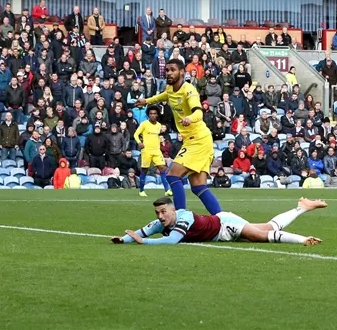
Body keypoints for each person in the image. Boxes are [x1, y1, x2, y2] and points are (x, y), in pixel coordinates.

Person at [137, 59, 222, 215]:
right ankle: (223, 219)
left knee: (172, 175)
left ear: (182, 72)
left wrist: (190, 118)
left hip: (198, 139)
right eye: (167, 70)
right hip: (194, 140)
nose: (169, 73)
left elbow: (198, 111)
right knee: (198, 187)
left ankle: (180, 217)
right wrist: (146, 101)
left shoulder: (189, 90)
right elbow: (163, 96)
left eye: (173, 70)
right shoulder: (170, 88)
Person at [111, 196, 325, 246]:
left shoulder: (183, 217)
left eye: (163, 212)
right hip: (220, 231)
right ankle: (302, 207)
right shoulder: (161, 223)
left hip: (225, 225)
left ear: (172, 210)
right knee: (269, 227)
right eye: (158, 213)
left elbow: (171, 241)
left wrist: (143, 242)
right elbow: (139, 232)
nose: (160, 216)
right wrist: (122, 240)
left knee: (260, 236)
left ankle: (302, 240)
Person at [133, 105, 172, 197]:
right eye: (151, 114)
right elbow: (135, 134)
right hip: (146, 150)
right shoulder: (144, 124)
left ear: (157, 115)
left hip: (156, 150)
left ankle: (167, 190)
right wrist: (139, 142)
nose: (153, 115)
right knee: (145, 170)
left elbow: (157, 136)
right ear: (148, 115)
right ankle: (141, 190)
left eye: (154, 114)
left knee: (163, 168)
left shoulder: (159, 125)